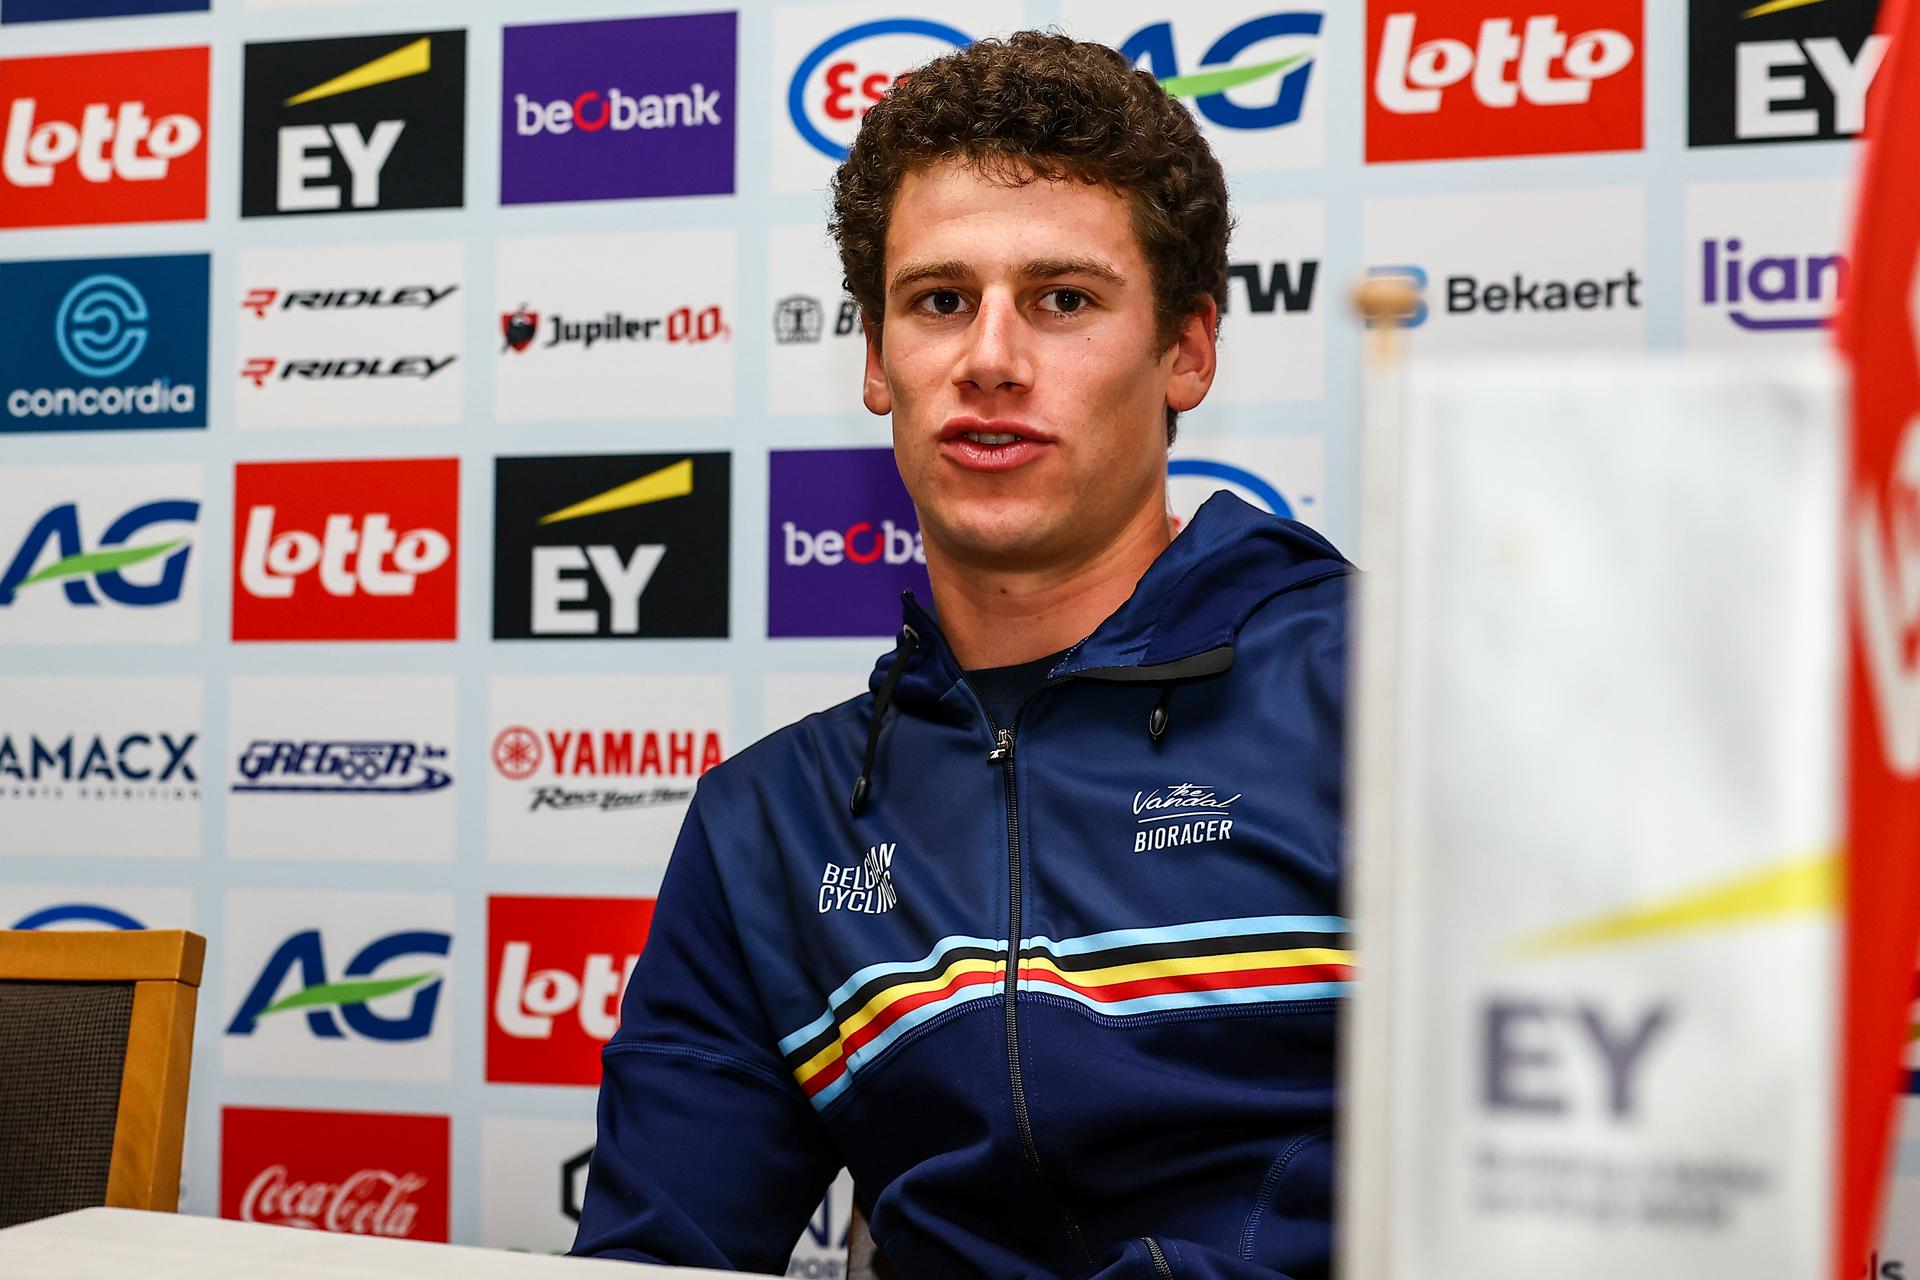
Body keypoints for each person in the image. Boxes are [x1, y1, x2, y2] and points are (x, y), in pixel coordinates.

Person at [573, 31, 1351, 1279]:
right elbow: (659, 1254)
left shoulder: (1382, 691)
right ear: (878, 360)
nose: (990, 358)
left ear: (1188, 349)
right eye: (941, 301)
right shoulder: (776, 822)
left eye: (1063, 299)